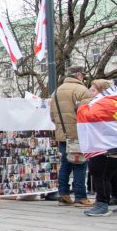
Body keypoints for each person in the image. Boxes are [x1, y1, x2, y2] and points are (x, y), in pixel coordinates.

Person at [78, 79, 117, 216]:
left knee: (99, 174)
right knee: (110, 175)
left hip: (107, 148)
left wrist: (79, 107)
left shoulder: (104, 102)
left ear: (101, 90)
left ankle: (102, 204)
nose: (91, 93)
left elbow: (89, 115)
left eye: (93, 90)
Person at [50, 66, 94, 207]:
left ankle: (64, 195)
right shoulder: (82, 91)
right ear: (79, 75)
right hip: (78, 134)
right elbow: (90, 114)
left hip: (62, 134)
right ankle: (81, 197)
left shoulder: (55, 92)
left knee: (65, 164)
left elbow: (52, 116)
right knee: (80, 165)